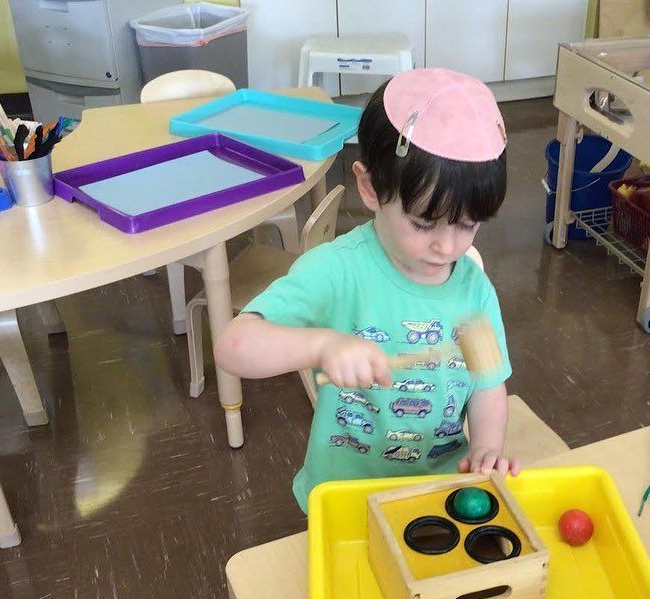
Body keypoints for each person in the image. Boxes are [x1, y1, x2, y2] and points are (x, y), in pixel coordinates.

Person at [214, 68, 519, 512]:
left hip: (438, 492)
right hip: (348, 496)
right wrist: (321, 345)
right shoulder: (337, 271)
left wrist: (487, 446)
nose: (447, 246)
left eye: (467, 224)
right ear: (371, 187)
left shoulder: (472, 290)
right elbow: (232, 347)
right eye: (423, 223)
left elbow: (487, 386)